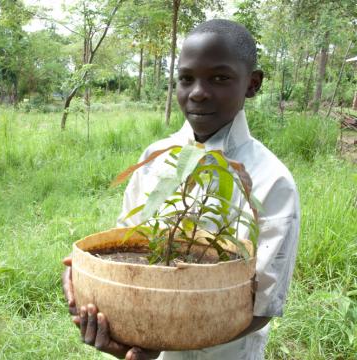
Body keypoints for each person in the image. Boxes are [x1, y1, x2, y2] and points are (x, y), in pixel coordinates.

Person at [62, 19, 300, 360]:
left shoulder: (271, 180)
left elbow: (265, 303)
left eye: (219, 78)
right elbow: (128, 248)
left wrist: (169, 336)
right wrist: (89, 280)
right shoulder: (155, 159)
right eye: (186, 78)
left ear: (253, 83)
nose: (198, 92)